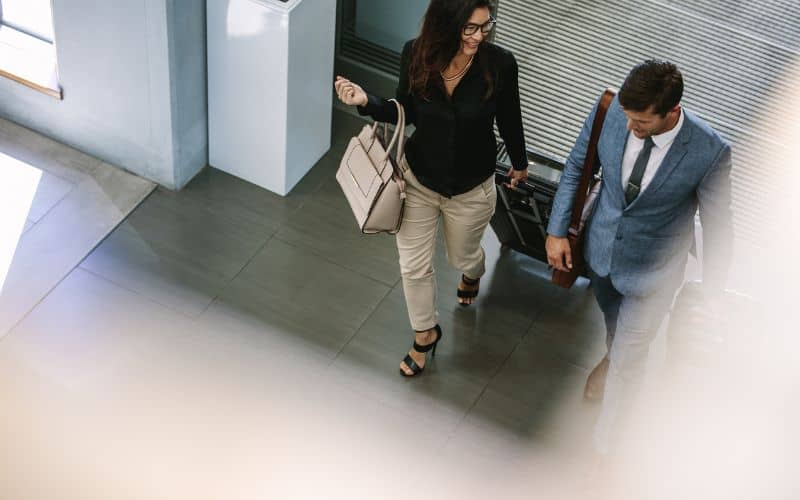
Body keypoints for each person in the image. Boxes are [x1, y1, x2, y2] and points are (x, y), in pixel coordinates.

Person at [545, 60, 732, 454]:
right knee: (617, 329)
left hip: (655, 274)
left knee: (631, 362)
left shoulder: (709, 151)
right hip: (602, 255)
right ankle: (614, 357)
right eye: (629, 118)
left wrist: (714, 294)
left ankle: (604, 453)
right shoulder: (613, 109)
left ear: (672, 112)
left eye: (643, 122)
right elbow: (580, 163)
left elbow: (718, 226)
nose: (632, 127)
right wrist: (557, 230)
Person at [334, 0, 528, 377]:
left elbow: (509, 117)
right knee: (413, 266)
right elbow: (403, 109)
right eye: (470, 28)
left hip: (471, 188)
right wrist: (367, 102)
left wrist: (519, 164)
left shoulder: (500, 64)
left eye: (485, 27)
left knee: (463, 256)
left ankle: (473, 272)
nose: (479, 36)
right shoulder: (416, 53)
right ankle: (426, 334)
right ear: (447, 23)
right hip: (419, 179)